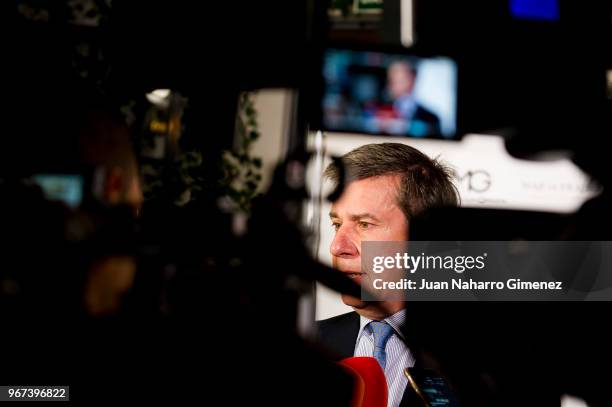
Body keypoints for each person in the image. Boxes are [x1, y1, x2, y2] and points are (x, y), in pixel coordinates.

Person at [317, 142, 459, 407]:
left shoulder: (487, 365)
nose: (337, 246)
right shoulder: (307, 348)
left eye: (364, 224)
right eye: (337, 224)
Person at [378, 61, 441, 137]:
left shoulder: (431, 117)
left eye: (401, 80)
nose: (395, 84)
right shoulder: (380, 112)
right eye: (392, 80)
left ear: (413, 79)